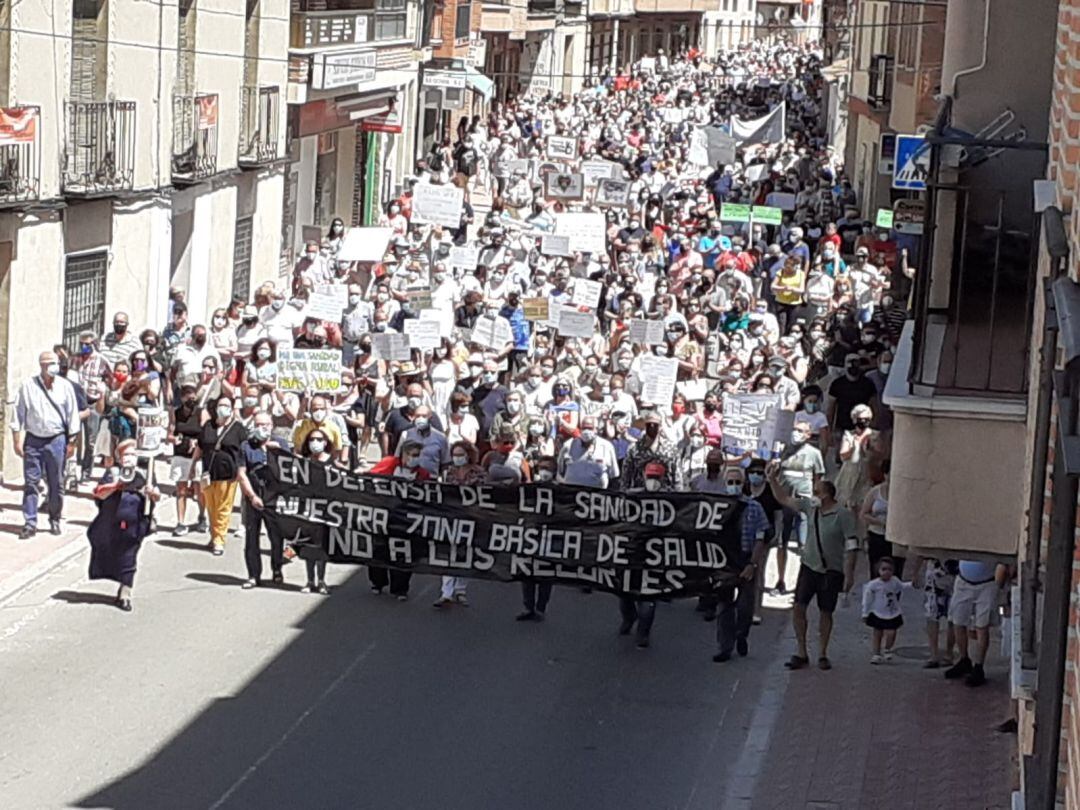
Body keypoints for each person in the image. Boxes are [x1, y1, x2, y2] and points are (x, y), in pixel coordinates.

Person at [767, 466, 858, 671]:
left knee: (826, 612)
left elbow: (852, 545)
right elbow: (785, 499)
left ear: (826, 495)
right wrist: (772, 480)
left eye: (817, 492)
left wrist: (849, 573)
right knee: (799, 607)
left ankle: (823, 653)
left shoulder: (842, 515)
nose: (813, 495)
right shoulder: (810, 508)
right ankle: (801, 651)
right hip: (808, 566)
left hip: (831, 571)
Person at [11, 351, 82, 538]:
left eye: (55, 363)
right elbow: (18, 414)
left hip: (56, 439)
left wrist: (72, 441)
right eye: (49, 363)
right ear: (41, 365)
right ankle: (30, 521)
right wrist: (16, 440)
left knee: (56, 482)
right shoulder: (28, 386)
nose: (53, 366)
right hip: (34, 440)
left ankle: (54, 518)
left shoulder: (65, 387)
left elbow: (72, 415)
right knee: (31, 482)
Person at [86, 439, 160, 611]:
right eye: (126, 454)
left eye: (133, 454)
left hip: (134, 526)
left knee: (129, 558)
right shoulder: (112, 473)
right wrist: (116, 485)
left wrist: (152, 493)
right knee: (109, 554)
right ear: (119, 458)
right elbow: (99, 494)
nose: (130, 458)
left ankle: (125, 593)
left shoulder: (145, 474)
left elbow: (155, 497)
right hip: (110, 525)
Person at [713, 465, 771, 663]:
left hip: (745, 559)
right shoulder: (715, 507)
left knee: (745, 607)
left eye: (738, 482)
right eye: (730, 482)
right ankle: (725, 647)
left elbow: (761, 537)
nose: (734, 486)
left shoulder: (754, 507)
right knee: (724, 606)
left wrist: (752, 564)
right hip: (723, 562)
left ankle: (741, 635)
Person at [618, 461, 669, 648]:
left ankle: (643, 632)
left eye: (656, 478)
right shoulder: (632, 496)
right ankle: (629, 617)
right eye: (650, 477)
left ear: (662, 479)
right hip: (630, 552)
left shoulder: (673, 501)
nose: (653, 481)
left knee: (648, 595)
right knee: (624, 592)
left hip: (654, 555)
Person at [236, 412, 290, 589]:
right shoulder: (246, 446)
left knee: (276, 537)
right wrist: (252, 496)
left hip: (273, 498)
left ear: (272, 425)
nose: (262, 428)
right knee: (251, 538)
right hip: (253, 496)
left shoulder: (280, 444)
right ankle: (253, 575)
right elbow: (241, 474)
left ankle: (276, 569)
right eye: (258, 424)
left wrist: (276, 451)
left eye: (265, 424)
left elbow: (290, 471)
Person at [192, 394, 246, 555]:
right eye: (221, 405)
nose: (224, 408)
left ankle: (219, 540)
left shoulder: (238, 428)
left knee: (223, 508)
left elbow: (243, 450)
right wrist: (193, 465)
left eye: (227, 405)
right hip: (208, 472)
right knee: (211, 506)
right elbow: (200, 447)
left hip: (228, 474)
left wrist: (241, 471)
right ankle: (214, 535)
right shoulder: (209, 426)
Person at [945, 559, 1006, 687]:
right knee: (958, 621)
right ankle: (964, 659)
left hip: (987, 584)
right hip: (963, 581)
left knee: (982, 626)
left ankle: (979, 666)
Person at [861, 557, 910, 664]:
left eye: (889, 569)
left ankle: (888, 648)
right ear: (878, 571)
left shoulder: (895, 581)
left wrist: (912, 584)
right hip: (878, 612)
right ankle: (876, 653)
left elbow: (901, 586)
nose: (887, 572)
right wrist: (865, 612)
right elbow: (867, 599)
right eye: (884, 569)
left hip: (892, 612)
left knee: (892, 632)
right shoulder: (873, 585)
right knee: (877, 633)